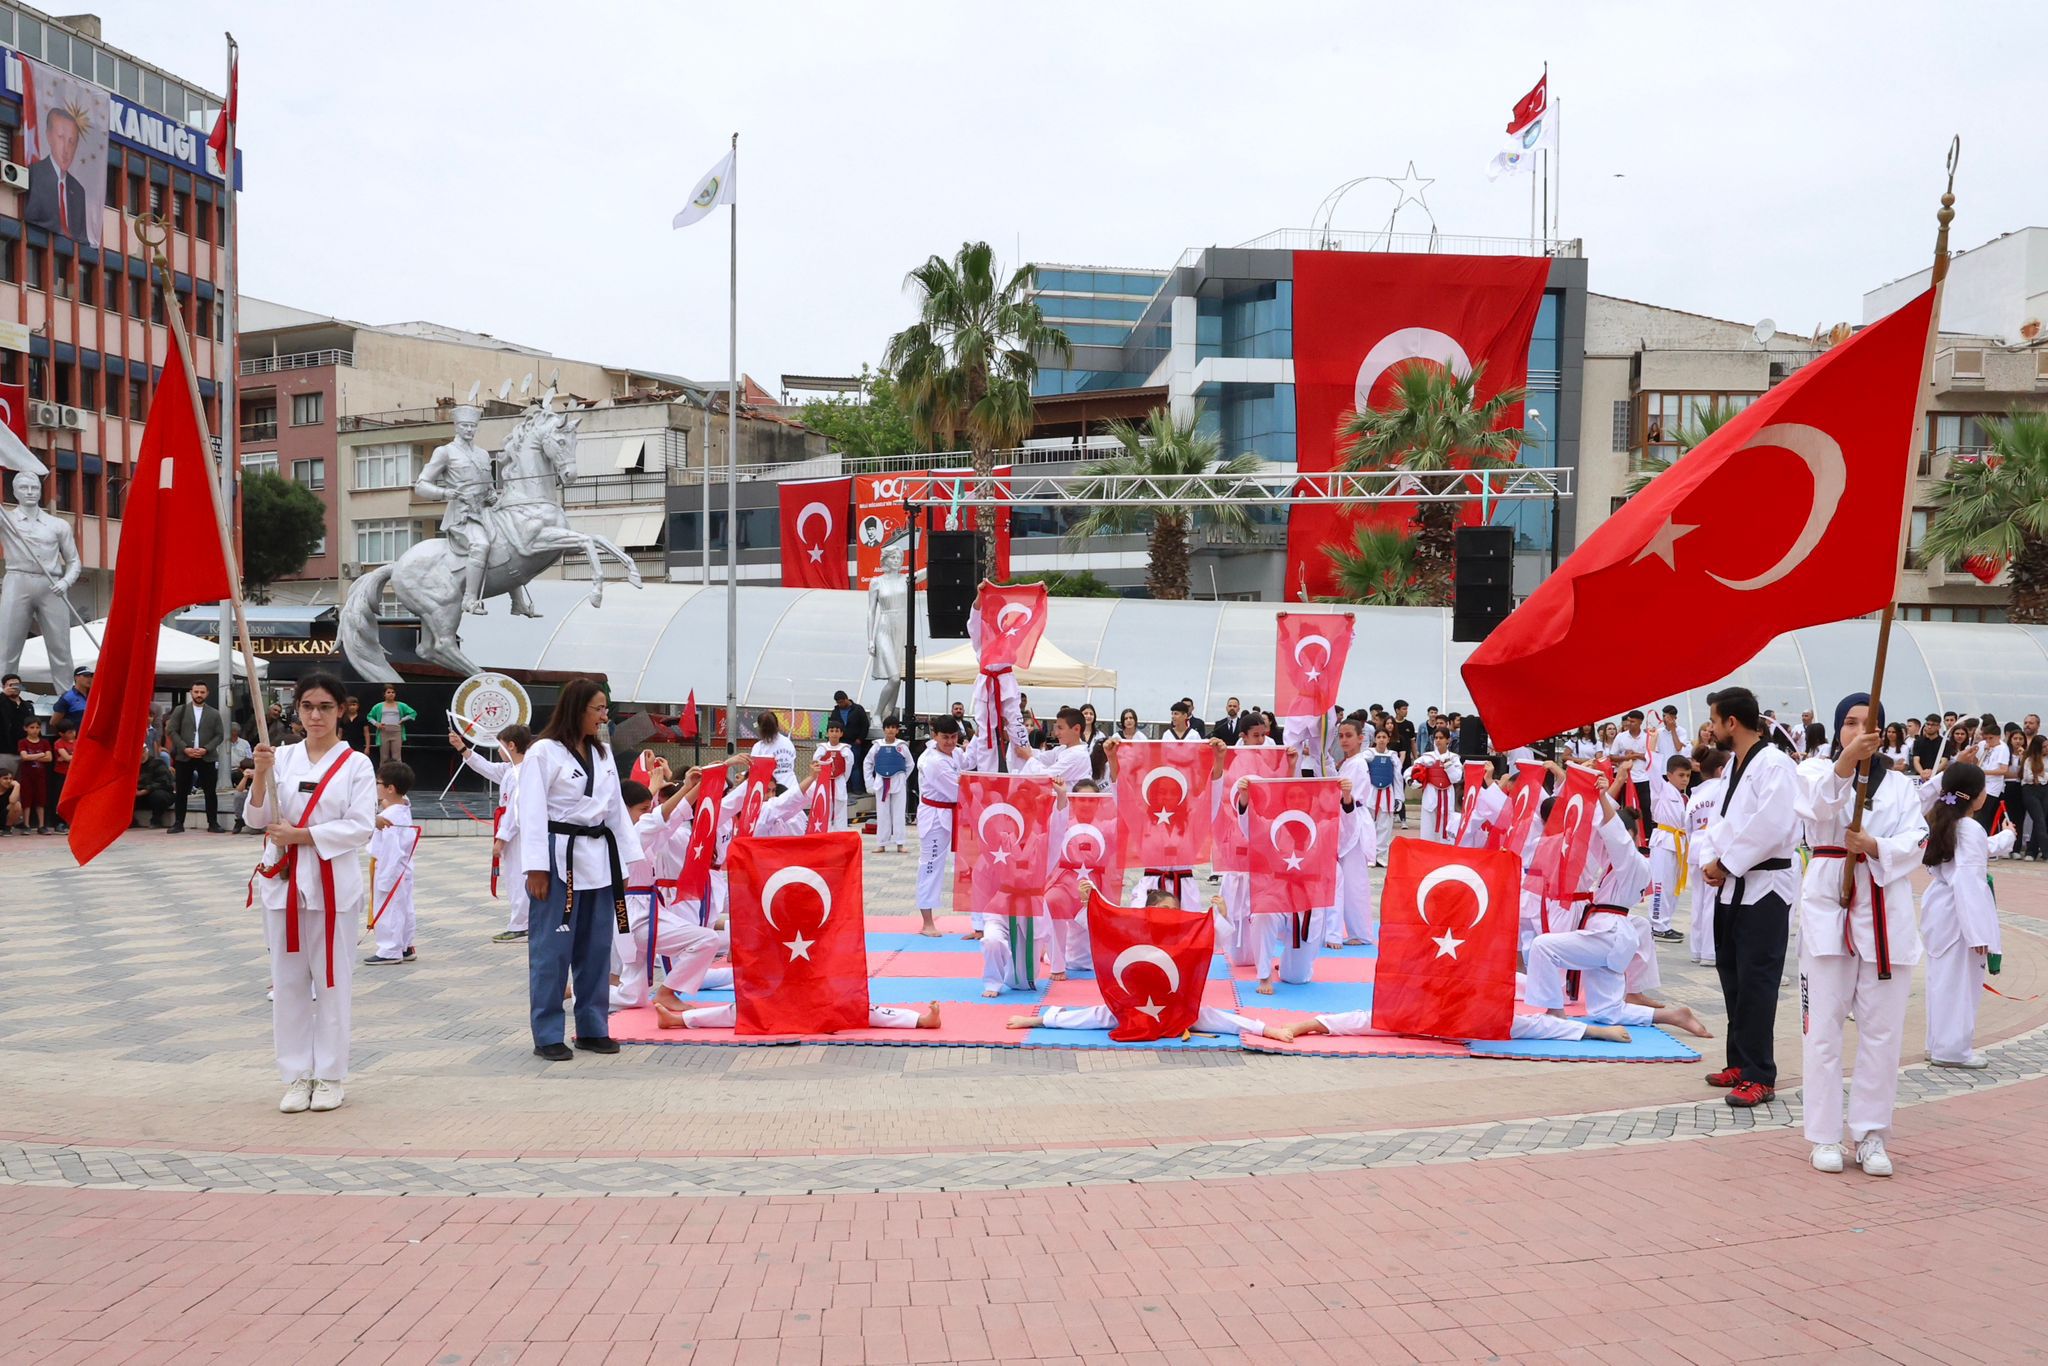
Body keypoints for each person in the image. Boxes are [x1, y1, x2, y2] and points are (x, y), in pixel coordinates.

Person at [1795, 694, 1926, 1177]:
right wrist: (1847, 762)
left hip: (1883, 909)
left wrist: (1876, 845)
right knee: (1823, 1030)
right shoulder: (1814, 771)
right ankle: (1824, 1135)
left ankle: (1871, 1133)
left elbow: (1917, 839)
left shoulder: (1901, 788)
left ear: (1887, 732)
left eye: (1868, 724)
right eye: (1849, 723)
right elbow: (1816, 805)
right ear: (1837, 729)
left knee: (1882, 1033)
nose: (1858, 730)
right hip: (1829, 902)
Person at [243, 671, 378, 1115]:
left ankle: (330, 1075)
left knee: (332, 980)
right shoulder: (279, 756)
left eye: (324, 707)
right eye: (307, 707)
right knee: (286, 982)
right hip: (282, 884)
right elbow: (256, 818)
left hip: (331, 887)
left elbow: (360, 826)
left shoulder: (356, 764)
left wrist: (303, 835)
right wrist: (261, 777)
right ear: (296, 710)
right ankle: (296, 1074)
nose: (315, 715)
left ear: (342, 711)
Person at [1523, 777, 1711, 1040]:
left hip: (1608, 934)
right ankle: (1674, 1016)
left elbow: (1616, 836)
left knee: (1543, 946)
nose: (1603, 843)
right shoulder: (1618, 863)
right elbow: (1597, 833)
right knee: (1608, 1012)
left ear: (1631, 835)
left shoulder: (1632, 861)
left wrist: (1601, 798)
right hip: (1608, 933)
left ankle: (1555, 1013)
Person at [517, 678, 643, 1062]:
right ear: (577, 708)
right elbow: (532, 812)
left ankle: (591, 1027)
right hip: (558, 859)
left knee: (595, 949)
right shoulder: (543, 753)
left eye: (605, 709)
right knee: (552, 952)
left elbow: (617, 812)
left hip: (599, 858)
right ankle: (548, 1033)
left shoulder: (602, 753)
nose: (605, 716)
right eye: (599, 709)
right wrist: (535, 868)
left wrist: (624, 860)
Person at [1694, 686, 1800, 1109]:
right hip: (1734, 886)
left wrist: (1727, 863)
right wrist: (1710, 860)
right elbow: (1717, 824)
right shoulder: (1733, 767)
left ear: (1731, 723)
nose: (1712, 730)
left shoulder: (1774, 764)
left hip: (1766, 888)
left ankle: (1761, 1074)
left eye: (1715, 722)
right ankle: (1739, 1061)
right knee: (1733, 975)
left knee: (1758, 982)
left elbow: (1771, 826)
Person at [1919, 762, 2009, 1071]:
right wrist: (1978, 934)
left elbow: (1972, 856)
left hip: (1941, 906)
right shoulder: (1969, 827)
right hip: (1958, 912)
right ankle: (1954, 1049)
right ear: (1976, 794)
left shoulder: (1946, 820)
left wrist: (2004, 840)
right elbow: (1969, 881)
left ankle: (1938, 1043)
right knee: (1959, 982)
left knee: (1942, 978)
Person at [451, 724, 535, 941]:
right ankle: (523, 922)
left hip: (519, 830)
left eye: (499, 745)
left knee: (518, 876)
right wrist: (463, 748)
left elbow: (515, 811)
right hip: (511, 826)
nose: (498, 750)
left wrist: (502, 839)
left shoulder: (522, 773)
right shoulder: (511, 769)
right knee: (515, 875)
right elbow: (487, 767)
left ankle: (521, 924)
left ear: (511, 745)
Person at [915, 715, 973, 938]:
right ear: (934, 735)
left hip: (954, 813)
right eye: (945, 737)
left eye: (953, 737)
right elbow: (958, 792)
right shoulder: (934, 762)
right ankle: (927, 921)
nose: (950, 741)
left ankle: (978, 923)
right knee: (930, 865)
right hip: (935, 817)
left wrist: (978, 741)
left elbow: (968, 761)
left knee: (967, 866)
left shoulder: (955, 752)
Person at [363, 762, 421, 967]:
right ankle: (405, 945)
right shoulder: (403, 807)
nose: (376, 786)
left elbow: (390, 850)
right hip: (403, 868)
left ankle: (389, 949)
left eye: (379, 783)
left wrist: (385, 878)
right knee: (404, 907)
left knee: (389, 908)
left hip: (390, 867)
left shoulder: (388, 817)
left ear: (390, 788)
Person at [1641, 728, 1693, 943]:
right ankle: (1657, 923)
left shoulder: (1684, 798)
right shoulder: (1661, 788)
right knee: (1661, 884)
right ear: (1669, 774)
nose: (1685, 780)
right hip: (1664, 840)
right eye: (1681, 775)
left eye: (1688, 776)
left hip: (1679, 842)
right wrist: (1652, 741)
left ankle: (1666, 922)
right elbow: (1651, 766)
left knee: (1673, 887)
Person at [1331, 718, 1379, 946]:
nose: (1344, 740)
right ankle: (1353, 929)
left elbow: (1352, 798)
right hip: (1345, 820)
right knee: (1345, 880)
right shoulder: (1348, 762)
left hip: (1354, 821)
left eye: (1349, 735)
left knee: (1354, 881)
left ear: (1361, 738)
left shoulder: (1359, 764)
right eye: (1341, 736)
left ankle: (1361, 933)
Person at [1684, 748, 1731, 967]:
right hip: (1712, 847)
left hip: (1694, 847)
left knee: (1698, 901)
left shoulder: (1696, 794)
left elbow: (1688, 826)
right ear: (1721, 769)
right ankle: (1709, 952)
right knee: (1712, 902)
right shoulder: (1723, 789)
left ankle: (1696, 949)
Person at [165, 681, 227, 834]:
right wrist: (184, 748)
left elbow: (219, 735)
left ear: (207, 694)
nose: (199, 695)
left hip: (206, 757)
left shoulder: (214, 713)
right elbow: (172, 731)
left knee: (210, 791)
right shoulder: (181, 710)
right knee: (181, 791)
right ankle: (179, 823)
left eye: (202, 692)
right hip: (184, 756)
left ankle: (212, 822)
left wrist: (206, 749)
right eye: (196, 692)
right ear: (191, 692)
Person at [23, 104, 89, 242]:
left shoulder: (78, 191)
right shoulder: (35, 174)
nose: (66, 149)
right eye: (60, 138)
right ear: (49, 137)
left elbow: (82, 238)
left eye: (71, 142)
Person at [864, 715, 912, 853]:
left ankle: (900, 843)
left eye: (893, 728)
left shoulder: (902, 746)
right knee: (882, 813)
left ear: (897, 730)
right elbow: (867, 763)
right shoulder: (877, 746)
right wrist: (870, 783)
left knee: (898, 812)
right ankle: (881, 843)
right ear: (884, 729)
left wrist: (902, 777)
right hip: (881, 783)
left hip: (898, 783)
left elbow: (910, 764)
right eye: (888, 727)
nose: (890, 730)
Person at [1609, 710, 1652, 851]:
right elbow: (1612, 757)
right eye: (1628, 721)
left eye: (1633, 721)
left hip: (1643, 778)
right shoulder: (1621, 737)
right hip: (1626, 779)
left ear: (1640, 722)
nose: (1629, 724)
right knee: (1624, 807)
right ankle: (1626, 837)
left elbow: (1652, 756)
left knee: (1645, 808)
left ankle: (1647, 839)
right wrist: (1626, 758)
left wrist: (1637, 755)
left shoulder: (1647, 737)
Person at [1362, 728, 1404, 865]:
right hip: (1371, 793)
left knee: (1385, 827)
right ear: (1375, 739)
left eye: (1384, 737)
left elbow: (1398, 777)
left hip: (1388, 793)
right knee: (1369, 825)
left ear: (1388, 739)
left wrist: (1399, 798)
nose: (1381, 739)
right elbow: (1360, 768)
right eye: (1378, 737)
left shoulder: (1393, 756)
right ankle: (1369, 856)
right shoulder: (1368, 754)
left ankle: (1381, 856)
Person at [1412, 730, 1461, 841]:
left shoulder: (1454, 758)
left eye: (1441, 738)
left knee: (1447, 826)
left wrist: (1448, 765)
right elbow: (1413, 772)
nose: (1438, 740)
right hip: (1431, 794)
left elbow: (1456, 778)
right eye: (1436, 738)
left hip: (1447, 795)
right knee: (1428, 828)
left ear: (1448, 740)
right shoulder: (1426, 757)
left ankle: (1444, 853)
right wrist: (1413, 781)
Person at [1453, 756, 1508, 849]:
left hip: (1474, 846)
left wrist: (1490, 780)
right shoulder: (1459, 791)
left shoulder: (1482, 795)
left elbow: (1503, 815)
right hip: (1458, 841)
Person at [813, 719, 855, 831]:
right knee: (826, 807)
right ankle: (825, 833)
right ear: (827, 733)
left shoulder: (845, 749)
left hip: (839, 780)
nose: (834, 733)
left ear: (841, 733)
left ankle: (840, 835)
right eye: (832, 731)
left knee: (840, 806)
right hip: (825, 781)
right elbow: (816, 763)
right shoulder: (821, 748)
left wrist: (843, 778)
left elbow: (849, 766)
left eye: (837, 731)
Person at [829, 690, 871, 795]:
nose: (840, 705)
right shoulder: (835, 712)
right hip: (841, 744)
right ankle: (846, 789)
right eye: (838, 703)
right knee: (842, 765)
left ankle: (857, 788)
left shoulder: (858, 709)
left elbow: (865, 725)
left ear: (846, 699)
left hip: (854, 743)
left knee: (855, 765)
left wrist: (860, 739)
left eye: (842, 702)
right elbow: (831, 726)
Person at [14, 716, 50, 832]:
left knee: (41, 800)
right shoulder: (23, 742)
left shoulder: (45, 742)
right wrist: (40, 755)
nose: (35, 730)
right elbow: (24, 757)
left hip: (40, 776)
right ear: (25, 728)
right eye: (32, 727)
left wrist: (32, 757)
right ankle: (26, 825)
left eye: (38, 727)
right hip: (27, 776)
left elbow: (49, 758)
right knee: (26, 800)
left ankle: (41, 825)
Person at [1977, 715, 2011, 837]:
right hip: (1981, 785)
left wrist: (1984, 772)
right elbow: (1978, 762)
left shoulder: (2002, 748)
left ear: (1997, 737)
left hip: (1992, 787)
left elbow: (2003, 770)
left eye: (1991, 738)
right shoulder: (1985, 746)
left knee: (1984, 814)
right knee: (1978, 813)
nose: (1988, 741)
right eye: (1986, 738)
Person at [368, 685, 415, 765]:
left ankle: (398, 776)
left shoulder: (400, 705)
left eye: (393, 692)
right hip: (383, 731)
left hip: (396, 731)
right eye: (388, 692)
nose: (391, 694)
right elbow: (369, 717)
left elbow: (413, 713)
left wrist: (403, 719)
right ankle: (382, 775)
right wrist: (377, 724)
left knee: (397, 757)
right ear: (384, 694)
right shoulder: (379, 706)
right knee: (384, 757)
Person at [750, 710, 797, 789]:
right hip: (791, 787)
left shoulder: (759, 747)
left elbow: (754, 770)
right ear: (777, 725)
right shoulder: (788, 743)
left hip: (772, 791)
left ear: (760, 729)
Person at [2020, 734, 2048, 861]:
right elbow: (2028, 777)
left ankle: (2032, 850)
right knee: (2039, 820)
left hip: (2045, 790)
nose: (2046, 749)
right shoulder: (2029, 760)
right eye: (2043, 747)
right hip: (2030, 791)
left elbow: (2043, 777)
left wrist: (2041, 775)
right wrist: (2039, 776)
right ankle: (2045, 850)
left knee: (2042, 821)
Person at [0, 672, 30, 776]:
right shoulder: (2, 702)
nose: (14, 688)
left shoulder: (27, 705)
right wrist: (3, 695)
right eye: (10, 685)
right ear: (3, 686)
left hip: (25, 752)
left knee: (22, 786)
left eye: (17, 685)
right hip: (5, 752)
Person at [48, 719, 75, 832]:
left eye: (73, 731)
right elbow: (67, 758)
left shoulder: (78, 742)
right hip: (61, 775)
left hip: (74, 775)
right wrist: (70, 756)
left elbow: (70, 757)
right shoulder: (59, 743)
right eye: (69, 732)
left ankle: (71, 821)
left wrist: (70, 756)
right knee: (60, 799)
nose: (72, 734)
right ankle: (59, 823)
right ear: (61, 734)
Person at [52, 665, 92, 733]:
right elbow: (54, 722)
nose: (89, 679)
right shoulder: (68, 697)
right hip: (74, 739)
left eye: (91, 676)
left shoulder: (94, 696)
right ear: (76, 677)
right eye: (86, 676)